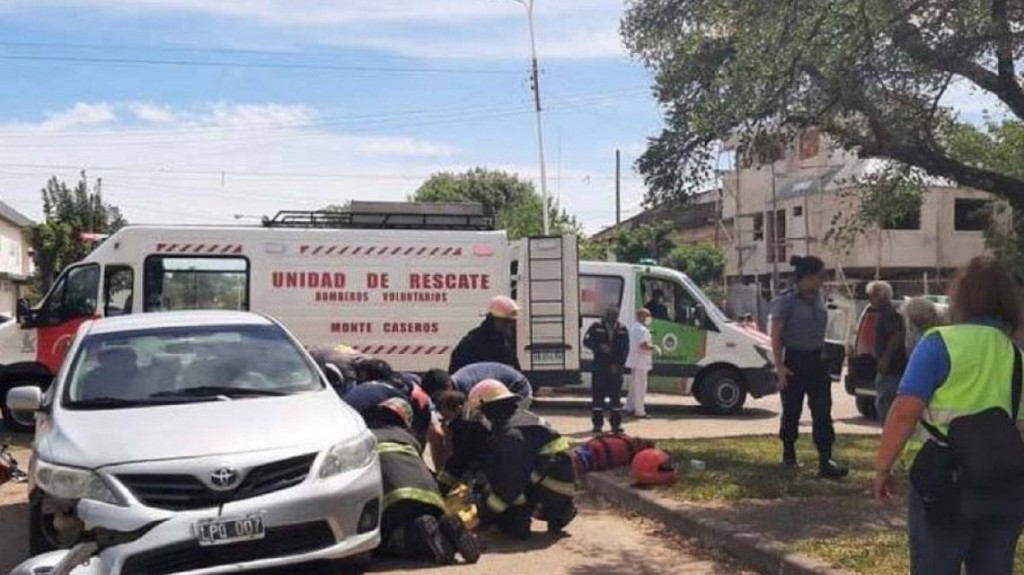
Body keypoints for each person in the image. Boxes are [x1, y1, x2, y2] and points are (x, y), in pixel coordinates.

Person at [875, 256, 1024, 575]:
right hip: (1002, 486)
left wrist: (883, 468)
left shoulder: (939, 343)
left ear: (962, 297)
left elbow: (903, 413)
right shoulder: (1017, 357)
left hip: (943, 482)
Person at [361, 397, 481, 565]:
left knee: (386, 541)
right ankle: (446, 523)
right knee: (429, 520)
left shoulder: (363, 438)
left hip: (394, 502)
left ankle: (421, 539)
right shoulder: (408, 439)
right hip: (432, 498)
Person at [770, 255, 848, 478]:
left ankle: (826, 459)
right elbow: (776, 335)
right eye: (819, 276)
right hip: (795, 359)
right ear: (807, 277)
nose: (822, 281)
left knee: (823, 411)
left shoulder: (819, 299)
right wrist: (779, 366)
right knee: (792, 411)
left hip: (817, 359)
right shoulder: (786, 301)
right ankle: (789, 455)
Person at [468, 380, 577, 539]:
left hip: (550, 494)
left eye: (481, 414)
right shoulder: (521, 419)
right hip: (556, 490)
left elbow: (509, 484)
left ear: (490, 409)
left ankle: (517, 520)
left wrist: (483, 515)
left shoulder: (512, 434)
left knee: (504, 480)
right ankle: (560, 512)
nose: (482, 419)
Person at [583, 305, 630, 435]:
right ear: (606, 314)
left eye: (615, 314)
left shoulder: (622, 329)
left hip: (615, 369)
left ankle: (616, 425)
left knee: (615, 398)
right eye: (611, 313)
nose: (613, 316)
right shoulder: (596, 326)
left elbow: (625, 350)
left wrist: (618, 365)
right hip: (600, 367)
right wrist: (599, 347)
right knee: (598, 397)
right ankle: (597, 424)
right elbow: (586, 341)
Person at [867, 281, 907, 423]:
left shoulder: (888, 314)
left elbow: (897, 336)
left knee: (885, 405)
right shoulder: (888, 314)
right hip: (894, 369)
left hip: (891, 370)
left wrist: (885, 359)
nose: (870, 299)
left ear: (881, 296)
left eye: (872, 295)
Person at [449, 296, 521, 373]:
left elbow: (515, 372)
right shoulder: (472, 342)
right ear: (492, 319)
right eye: (505, 321)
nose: (509, 326)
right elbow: (458, 373)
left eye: (511, 322)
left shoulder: (505, 342)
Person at [451, 362, 533, 408]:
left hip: (518, 388)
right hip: (500, 388)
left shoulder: (464, 386)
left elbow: (471, 412)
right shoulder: (456, 380)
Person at [625, 309, 659, 419]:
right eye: (647, 316)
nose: (649, 318)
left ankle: (629, 407)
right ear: (641, 316)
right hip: (641, 362)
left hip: (636, 361)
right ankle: (639, 411)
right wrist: (654, 348)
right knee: (640, 387)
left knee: (634, 387)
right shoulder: (642, 330)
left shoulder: (634, 328)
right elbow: (643, 345)